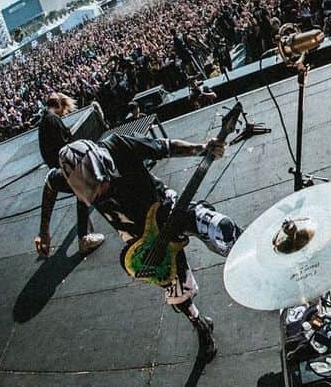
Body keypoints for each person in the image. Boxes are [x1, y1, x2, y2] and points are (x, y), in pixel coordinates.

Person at [36, 133, 241, 361]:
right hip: (138, 236)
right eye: (91, 192)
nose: (99, 193)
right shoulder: (69, 175)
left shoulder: (119, 145)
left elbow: (166, 146)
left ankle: (256, 261)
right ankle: (200, 324)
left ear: (103, 164)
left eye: (99, 184)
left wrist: (203, 148)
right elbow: (49, 183)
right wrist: (44, 230)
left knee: (219, 227)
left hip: (163, 208)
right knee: (173, 285)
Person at [36, 92, 106, 256]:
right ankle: (84, 238)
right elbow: (65, 149)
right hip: (64, 168)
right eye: (63, 110)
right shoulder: (53, 120)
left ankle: (83, 233)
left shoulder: (45, 120)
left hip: (57, 169)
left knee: (80, 193)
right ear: (59, 105)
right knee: (83, 189)